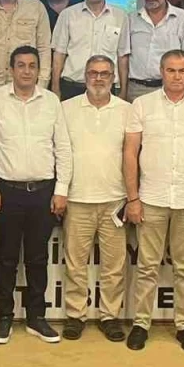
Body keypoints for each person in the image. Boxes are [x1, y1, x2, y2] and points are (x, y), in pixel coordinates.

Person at [123, 50, 184, 353]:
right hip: (151, 198)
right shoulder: (142, 105)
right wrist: (133, 198)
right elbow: (130, 153)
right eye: (171, 70)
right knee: (147, 267)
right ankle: (141, 324)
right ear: (161, 71)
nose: (177, 76)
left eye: (182, 70)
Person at [0, 46, 71, 344]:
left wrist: (61, 190)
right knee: (6, 258)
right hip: (6, 192)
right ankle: (4, 317)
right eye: (21, 65)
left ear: (39, 70)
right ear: (11, 69)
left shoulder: (51, 101)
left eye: (32, 65)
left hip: (43, 192)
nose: (27, 71)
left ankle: (36, 317)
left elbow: (62, 148)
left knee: (37, 258)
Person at [60, 55, 130, 342]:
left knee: (114, 266)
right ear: (84, 76)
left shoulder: (127, 110)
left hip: (116, 200)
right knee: (75, 263)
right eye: (93, 73)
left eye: (104, 73)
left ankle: (110, 316)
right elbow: (59, 152)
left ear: (114, 77)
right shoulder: (66, 109)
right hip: (77, 198)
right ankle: (75, 315)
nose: (98, 78)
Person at [117, 0, 184, 102]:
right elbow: (123, 57)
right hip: (136, 90)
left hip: (171, 88)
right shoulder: (131, 19)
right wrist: (123, 92)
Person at [51, 0, 125, 101]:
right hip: (72, 87)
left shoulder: (120, 16)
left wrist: (123, 91)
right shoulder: (68, 15)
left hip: (107, 88)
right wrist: (55, 89)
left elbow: (123, 57)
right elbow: (59, 55)